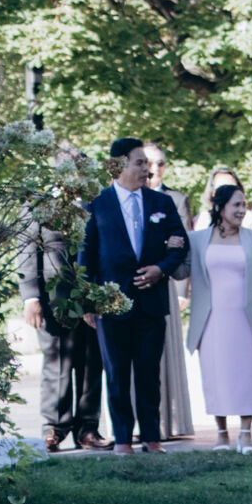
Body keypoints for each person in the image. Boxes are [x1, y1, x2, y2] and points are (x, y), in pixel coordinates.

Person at [80, 138, 189, 454]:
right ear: (118, 165)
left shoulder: (161, 203)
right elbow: (86, 254)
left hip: (152, 303)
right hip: (110, 304)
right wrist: (88, 301)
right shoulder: (96, 204)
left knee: (149, 374)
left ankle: (152, 438)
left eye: (148, 163)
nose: (147, 169)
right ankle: (123, 440)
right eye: (139, 163)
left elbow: (180, 243)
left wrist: (161, 269)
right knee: (116, 375)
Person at [185, 184, 252, 452]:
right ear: (219, 207)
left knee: (247, 373)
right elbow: (181, 271)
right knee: (215, 375)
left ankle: (246, 435)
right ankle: (222, 434)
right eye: (236, 205)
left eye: (243, 205)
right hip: (211, 319)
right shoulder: (197, 239)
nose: (242, 210)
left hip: (246, 318)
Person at [17, 210, 108, 451]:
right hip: (52, 300)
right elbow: (26, 248)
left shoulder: (96, 201)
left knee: (91, 364)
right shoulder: (38, 202)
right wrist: (31, 297)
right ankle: (53, 428)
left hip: (93, 295)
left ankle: (88, 428)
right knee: (56, 364)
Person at [144, 144, 196, 440]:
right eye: (148, 162)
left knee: (166, 355)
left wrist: (180, 290)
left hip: (165, 285)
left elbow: (182, 245)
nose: (154, 169)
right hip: (133, 286)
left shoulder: (175, 199)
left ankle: (170, 423)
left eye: (160, 163)